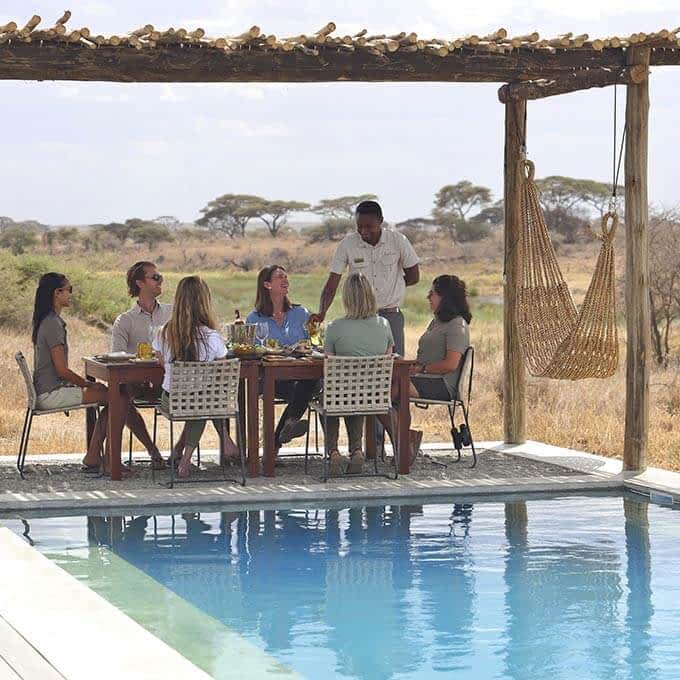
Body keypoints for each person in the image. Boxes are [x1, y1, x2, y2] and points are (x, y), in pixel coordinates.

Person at [153, 276, 241, 479]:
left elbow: (161, 363)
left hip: (171, 401)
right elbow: (223, 368)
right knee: (205, 399)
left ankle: (182, 454)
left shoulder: (164, 333)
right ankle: (222, 441)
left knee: (200, 400)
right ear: (204, 302)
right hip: (201, 401)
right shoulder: (211, 336)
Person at [311, 200, 420, 357]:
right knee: (360, 366)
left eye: (369, 226)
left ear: (381, 221)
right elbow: (332, 283)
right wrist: (322, 312)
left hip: (390, 315)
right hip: (358, 317)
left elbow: (414, 276)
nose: (363, 231)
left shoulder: (398, 241)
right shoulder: (347, 245)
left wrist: (392, 286)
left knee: (395, 368)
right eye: (359, 226)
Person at [31, 272, 109, 472]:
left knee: (117, 396)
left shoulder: (50, 321)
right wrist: (88, 384)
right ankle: (100, 457)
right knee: (116, 396)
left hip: (50, 390)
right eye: (69, 290)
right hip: (50, 393)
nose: (71, 294)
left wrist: (84, 385)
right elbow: (62, 370)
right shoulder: (52, 324)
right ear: (57, 293)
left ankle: (96, 455)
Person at [323, 272, 394, 474]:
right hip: (372, 395)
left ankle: (334, 452)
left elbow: (328, 365)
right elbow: (388, 355)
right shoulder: (384, 325)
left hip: (340, 395)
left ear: (347, 298)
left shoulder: (335, 327)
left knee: (329, 394)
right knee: (356, 392)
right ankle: (356, 450)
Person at [247, 265, 318, 450]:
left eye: (286, 276)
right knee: (303, 389)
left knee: (309, 382)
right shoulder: (254, 319)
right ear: (267, 285)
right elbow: (252, 349)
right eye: (280, 277)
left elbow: (314, 341)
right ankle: (285, 430)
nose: (286, 280)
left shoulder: (301, 313)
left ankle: (275, 444)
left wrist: (310, 342)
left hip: (300, 375)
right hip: (270, 378)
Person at [110, 260, 171, 469]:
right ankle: (151, 450)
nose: (160, 280)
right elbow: (117, 356)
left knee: (204, 395)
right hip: (138, 384)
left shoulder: (172, 313)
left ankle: (181, 452)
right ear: (140, 283)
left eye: (160, 276)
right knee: (121, 395)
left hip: (169, 381)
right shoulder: (125, 321)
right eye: (155, 277)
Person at [406, 274, 472, 459]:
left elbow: (450, 364)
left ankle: (405, 441)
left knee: (391, 388)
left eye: (433, 293)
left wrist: (421, 369)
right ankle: (405, 439)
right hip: (424, 378)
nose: (428, 297)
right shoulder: (436, 322)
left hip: (442, 384)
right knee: (385, 385)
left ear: (445, 297)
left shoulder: (457, 325)